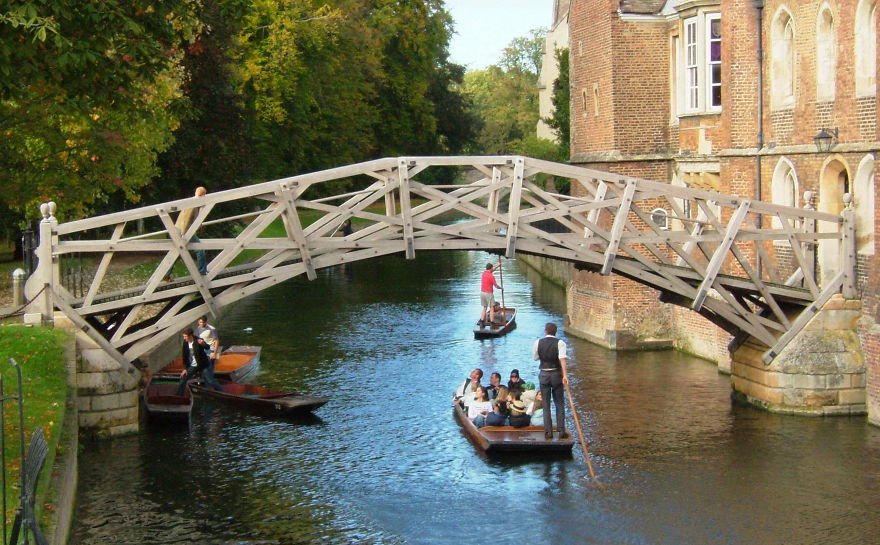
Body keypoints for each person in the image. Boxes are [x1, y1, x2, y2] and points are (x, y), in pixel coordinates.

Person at [533, 322, 570, 439]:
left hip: (544, 374)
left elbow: (535, 357)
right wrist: (565, 375)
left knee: (546, 403)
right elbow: (562, 359)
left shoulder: (537, 342)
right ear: (555, 332)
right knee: (559, 403)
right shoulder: (560, 343)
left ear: (546, 331)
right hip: (556, 375)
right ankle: (561, 430)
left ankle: (548, 432)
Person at [176, 327, 222, 395]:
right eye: (184, 336)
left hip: (203, 365)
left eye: (185, 336)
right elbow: (185, 356)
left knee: (210, 381)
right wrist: (185, 368)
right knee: (183, 377)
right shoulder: (185, 343)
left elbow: (207, 347)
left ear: (190, 336)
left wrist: (202, 343)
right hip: (194, 365)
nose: (184, 338)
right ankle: (179, 396)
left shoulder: (198, 340)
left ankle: (221, 391)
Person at [174, 186, 209, 275]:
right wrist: (183, 234)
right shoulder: (193, 205)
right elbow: (185, 220)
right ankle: (202, 270)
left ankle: (166, 274)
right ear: (203, 195)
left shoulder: (192, 202)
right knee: (200, 249)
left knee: (177, 251)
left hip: (180, 229)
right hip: (184, 230)